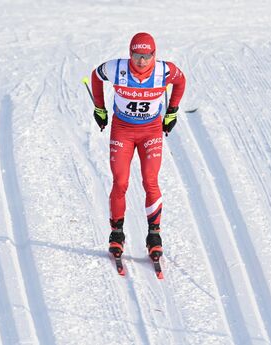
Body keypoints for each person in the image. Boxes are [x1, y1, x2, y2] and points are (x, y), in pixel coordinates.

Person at [90, 32, 186, 261]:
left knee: (150, 180)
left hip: (150, 131)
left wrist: (172, 111)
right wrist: (100, 108)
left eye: (147, 56)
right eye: (136, 55)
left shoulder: (165, 71)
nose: (142, 61)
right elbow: (95, 76)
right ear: (129, 53)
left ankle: (154, 236)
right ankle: (116, 233)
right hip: (122, 130)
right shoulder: (116, 69)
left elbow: (181, 82)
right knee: (120, 181)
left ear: (154, 54)